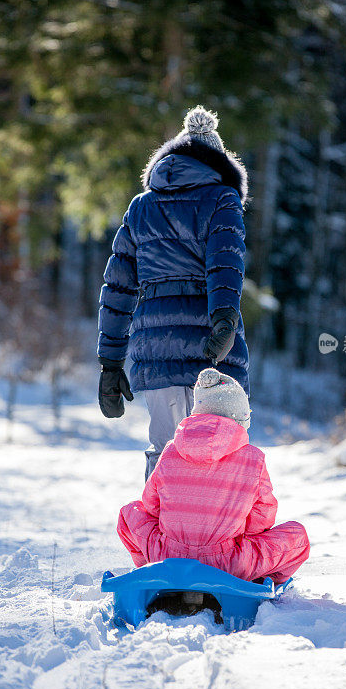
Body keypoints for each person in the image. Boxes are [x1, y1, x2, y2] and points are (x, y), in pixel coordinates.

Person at [97, 106, 249, 481]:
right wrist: (224, 319)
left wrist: (110, 363)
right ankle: (216, 537)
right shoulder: (222, 199)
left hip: (155, 347)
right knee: (220, 449)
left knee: (165, 451)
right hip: (212, 346)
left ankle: (161, 538)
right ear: (218, 162)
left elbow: (118, 288)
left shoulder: (141, 207)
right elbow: (224, 263)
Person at [117, 369, 310, 585]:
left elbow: (151, 506)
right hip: (229, 565)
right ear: (239, 417)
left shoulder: (171, 449)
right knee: (297, 537)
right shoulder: (254, 458)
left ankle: (153, 575)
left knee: (128, 514)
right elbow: (262, 517)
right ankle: (260, 580)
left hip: (167, 558)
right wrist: (234, 533)